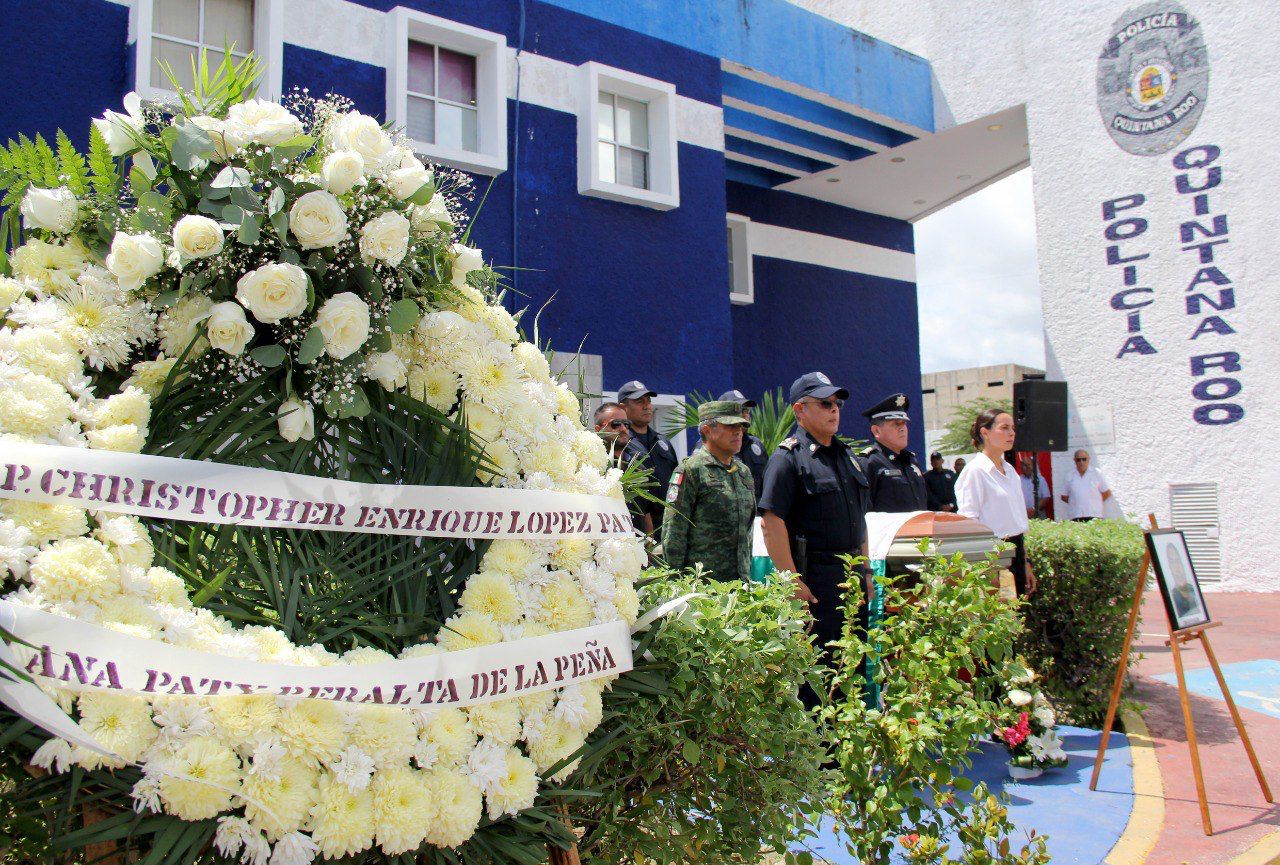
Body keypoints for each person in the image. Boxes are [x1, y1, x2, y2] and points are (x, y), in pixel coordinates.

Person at [759, 371, 870, 700]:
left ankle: (851, 746)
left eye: (836, 404)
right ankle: (824, 751)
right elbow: (771, 521)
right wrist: (792, 581)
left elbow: (859, 519)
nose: (834, 409)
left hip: (851, 578)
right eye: (825, 403)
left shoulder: (847, 456)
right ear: (800, 410)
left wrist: (865, 571)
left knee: (854, 668)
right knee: (819, 680)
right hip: (815, 579)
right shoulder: (787, 458)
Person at [661, 401, 756, 581]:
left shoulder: (743, 471)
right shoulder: (690, 470)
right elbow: (674, 533)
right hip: (703, 588)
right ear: (707, 429)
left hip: (739, 584)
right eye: (730, 425)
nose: (738, 431)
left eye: (741, 426)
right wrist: (675, 584)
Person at [954, 408, 1037, 597]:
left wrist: (1026, 562)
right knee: (996, 619)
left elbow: (1017, 524)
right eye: (1004, 428)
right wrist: (985, 568)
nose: (1011, 433)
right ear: (985, 432)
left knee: (1017, 618)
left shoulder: (1010, 471)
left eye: (1013, 428)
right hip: (991, 556)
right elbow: (969, 524)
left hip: (1016, 551)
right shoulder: (975, 471)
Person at [618, 380, 678, 532]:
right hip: (637, 526)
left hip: (668, 525)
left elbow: (676, 480)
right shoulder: (620, 443)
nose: (647, 406)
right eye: (639, 401)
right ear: (623, 407)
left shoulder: (662, 441)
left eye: (648, 401)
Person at [859, 393, 927, 512]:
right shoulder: (869, 463)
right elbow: (864, 512)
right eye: (896, 424)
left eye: (904, 423)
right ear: (876, 430)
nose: (902, 428)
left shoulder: (911, 461)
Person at [593, 402, 654, 534]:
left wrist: (649, 549)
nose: (623, 429)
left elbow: (645, 513)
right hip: (605, 548)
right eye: (615, 424)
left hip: (636, 547)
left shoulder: (638, 468)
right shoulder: (591, 468)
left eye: (626, 424)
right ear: (598, 429)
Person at [718, 389, 768, 499]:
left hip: (758, 514)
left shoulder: (756, 444)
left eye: (746, 410)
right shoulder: (712, 447)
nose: (745, 414)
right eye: (740, 410)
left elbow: (767, 486)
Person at [1060, 450, 1111, 521]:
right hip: (1076, 516)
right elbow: (1063, 496)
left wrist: (1094, 502)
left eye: (1084, 459)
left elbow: (1107, 493)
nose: (1081, 462)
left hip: (1094, 515)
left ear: (1089, 459)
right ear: (1074, 460)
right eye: (1078, 460)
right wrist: (1076, 502)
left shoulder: (1097, 473)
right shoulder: (1069, 476)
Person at [1019, 454, 1052, 519]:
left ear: (1033, 465)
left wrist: (1034, 509)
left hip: (1038, 513)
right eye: (1024, 465)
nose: (1027, 467)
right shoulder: (1017, 480)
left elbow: (1046, 497)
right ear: (1021, 467)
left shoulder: (1040, 479)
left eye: (1029, 464)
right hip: (1023, 514)